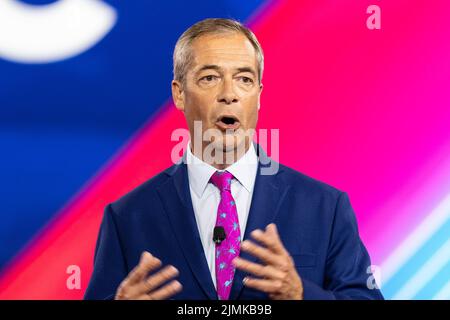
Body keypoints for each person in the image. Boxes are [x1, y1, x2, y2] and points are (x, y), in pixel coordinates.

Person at [84, 18, 383, 300]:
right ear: (179, 94)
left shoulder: (325, 208)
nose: (229, 94)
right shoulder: (127, 217)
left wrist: (300, 294)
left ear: (259, 94)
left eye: (244, 79)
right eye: (210, 78)